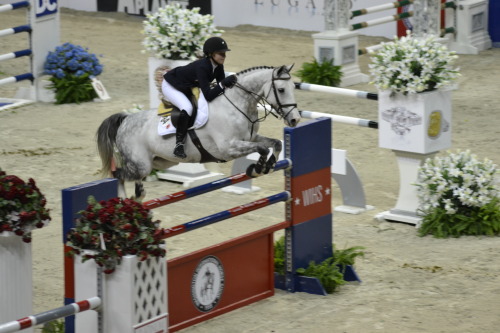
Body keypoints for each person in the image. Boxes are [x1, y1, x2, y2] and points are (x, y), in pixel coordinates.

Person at [161, 36, 238, 159]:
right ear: (211, 54)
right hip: (171, 85)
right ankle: (179, 144)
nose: (224, 56)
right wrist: (223, 84)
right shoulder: (203, 67)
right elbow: (209, 95)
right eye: (220, 53)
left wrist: (227, 83)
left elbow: (221, 87)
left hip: (187, 85)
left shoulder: (218, 66)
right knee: (187, 108)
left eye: (224, 53)